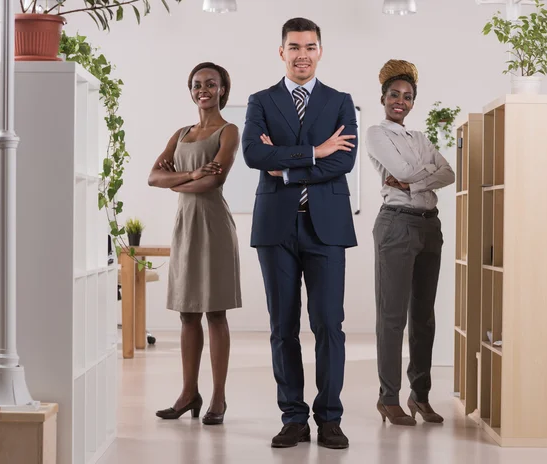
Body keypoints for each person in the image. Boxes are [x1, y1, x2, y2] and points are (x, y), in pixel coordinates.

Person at [242, 17, 358, 449]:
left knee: (329, 324)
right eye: (294, 47)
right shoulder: (261, 100)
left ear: (320, 51)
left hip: (327, 228)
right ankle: (293, 417)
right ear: (282, 52)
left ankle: (330, 418)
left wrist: (287, 169)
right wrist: (314, 150)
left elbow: (342, 162)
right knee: (282, 326)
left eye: (310, 47)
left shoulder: (340, 102)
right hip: (276, 229)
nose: (302, 54)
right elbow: (254, 153)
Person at [148, 62, 241, 426]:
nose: (203, 89)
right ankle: (189, 394)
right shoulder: (182, 133)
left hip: (214, 225)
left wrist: (178, 182)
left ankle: (218, 397)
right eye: (197, 84)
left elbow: (211, 184)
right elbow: (153, 176)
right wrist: (189, 174)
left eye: (211, 84)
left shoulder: (228, 131)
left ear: (222, 89)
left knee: (215, 312)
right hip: (185, 225)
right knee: (188, 312)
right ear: (191, 91)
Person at [366, 59, 455, 426]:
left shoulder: (419, 138)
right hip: (396, 227)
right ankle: (388, 398)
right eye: (394, 95)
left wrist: (413, 182)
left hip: (429, 228)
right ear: (384, 97)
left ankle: (420, 395)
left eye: (407, 96)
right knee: (391, 317)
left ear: (413, 102)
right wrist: (422, 175)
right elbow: (401, 172)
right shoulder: (376, 133)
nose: (400, 101)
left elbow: (449, 172)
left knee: (424, 318)